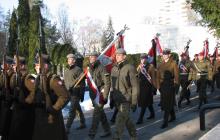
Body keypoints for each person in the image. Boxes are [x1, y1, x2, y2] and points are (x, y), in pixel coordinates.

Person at [32, 54, 70, 140]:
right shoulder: (38, 78)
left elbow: (65, 96)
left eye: (38, 65)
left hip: (51, 117)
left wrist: (54, 108)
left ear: (45, 65)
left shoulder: (53, 79)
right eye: (36, 65)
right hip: (40, 116)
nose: (36, 67)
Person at [111, 48, 139, 140]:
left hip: (126, 99)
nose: (117, 57)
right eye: (116, 55)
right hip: (117, 99)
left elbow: (135, 86)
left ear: (124, 56)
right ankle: (134, 136)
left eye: (119, 55)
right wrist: (111, 98)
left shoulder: (130, 68)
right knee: (126, 119)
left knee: (119, 120)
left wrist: (134, 102)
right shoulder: (114, 68)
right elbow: (113, 85)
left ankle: (116, 137)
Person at [8, 56, 35, 140]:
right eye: (13, 65)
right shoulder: (17, 76)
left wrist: (26, 101)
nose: (13, 66)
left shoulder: (28, 78)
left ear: (22, 66)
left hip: (25, 112)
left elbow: (35, 92)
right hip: (17, 110)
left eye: (16, 64)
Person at [87, 51, 111, 139]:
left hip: (100, 94)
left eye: (93, 57)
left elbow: (107, 83)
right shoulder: (89, 68)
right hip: (93, 94)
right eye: (90, 57)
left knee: (96, 113)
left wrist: (105, 95)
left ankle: (92, 133)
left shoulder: (101, 67)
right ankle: (107, 130)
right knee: (101, 114)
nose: (91, 58)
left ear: (96, 58)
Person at [157, 48, 179, 129]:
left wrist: (176, 87)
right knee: (167, 102)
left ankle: (165, 121)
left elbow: (176, 76)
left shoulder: (173, 64)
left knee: (167, 103)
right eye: (163, 54)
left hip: (170, 85)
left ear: (169, 55)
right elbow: (158, 76)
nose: (164, 55)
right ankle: (173, 116)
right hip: (163, 86)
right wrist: (158, 87)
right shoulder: (160, 64)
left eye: (166, 54)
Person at [64, 53, 86, 133]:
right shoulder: (66, 70)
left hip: (76, 92)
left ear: (74, 60)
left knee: (72, 110)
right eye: (68, 59)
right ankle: (83, 122)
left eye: (71, 59)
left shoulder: (78, 69)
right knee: (78, 108)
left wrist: (82, 93)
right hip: (68, 93)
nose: (69, 61)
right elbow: (65, 82)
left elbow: (82, 82)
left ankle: (67, 127)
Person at [136, 53, 155, 124]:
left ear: (147, 59)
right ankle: (152, 114)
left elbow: (153, 77)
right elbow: (136, 75)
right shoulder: (139, 66)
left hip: (148, 87)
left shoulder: (150, 66)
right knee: (148, 102)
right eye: (141, 58)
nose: (142, 60)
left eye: (144, 58)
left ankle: (140, 118)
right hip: (141, 87)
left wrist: (154, 88)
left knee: (144, 102)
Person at [0, 56, 14, 140]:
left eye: (4, 63)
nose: (2, 64)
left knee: (6, 124)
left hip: (9, 103)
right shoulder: (3, 74)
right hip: (3, 101)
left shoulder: (13, 75)